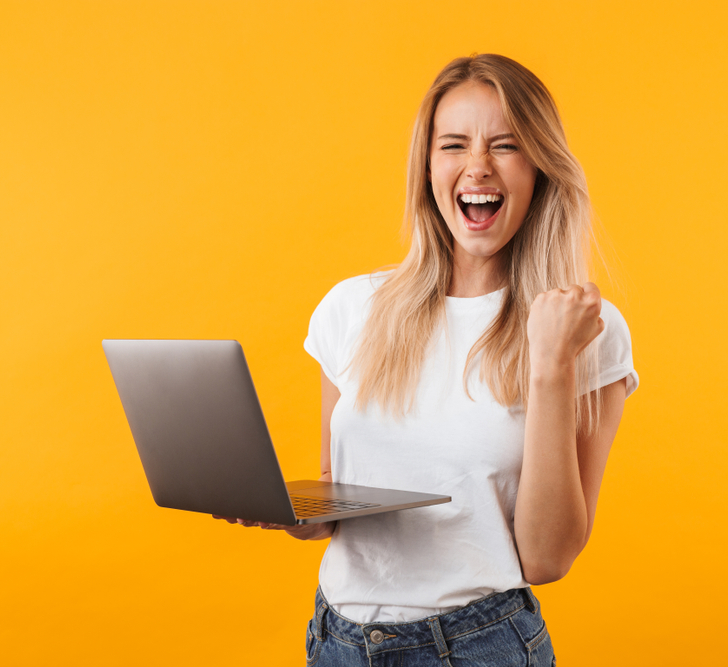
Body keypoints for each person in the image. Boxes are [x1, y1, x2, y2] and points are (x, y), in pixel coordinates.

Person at [216, 53, 638, 666]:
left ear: (540, 169)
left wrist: (550, 365)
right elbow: (339, 502)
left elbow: (548, 558)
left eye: (505, 145)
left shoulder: (583, 330)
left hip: (477, 648)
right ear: (427, 167)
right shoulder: (351, 309)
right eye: (454, 145)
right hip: (337, 641)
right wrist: (288, 511)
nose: (477, 167)